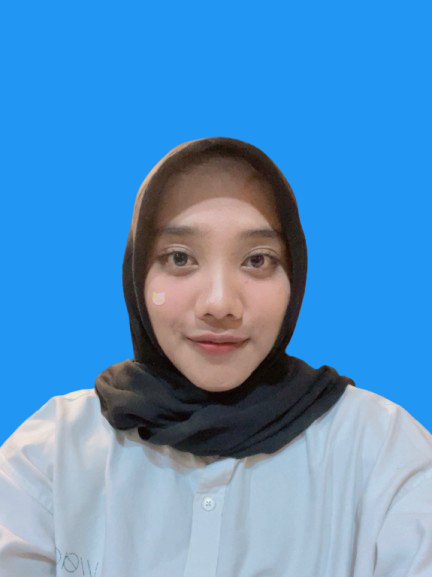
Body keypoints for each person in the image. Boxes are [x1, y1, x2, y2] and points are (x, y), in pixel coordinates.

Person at [0, 137, 431, 577]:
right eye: (180, 258)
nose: (220, 304)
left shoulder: (383, 453)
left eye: (258, 260)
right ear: (137, 272)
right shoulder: (51, 454)